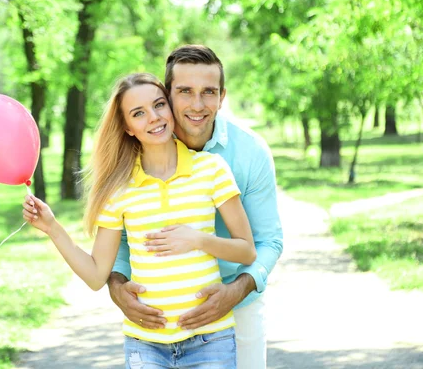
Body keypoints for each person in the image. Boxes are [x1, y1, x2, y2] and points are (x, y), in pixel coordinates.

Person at [22, 73, 257, 368]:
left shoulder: (211, 169)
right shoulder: (119, 188)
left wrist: (197, 239)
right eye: (138, 113)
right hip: (145, 344)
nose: (154, 118)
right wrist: (52, 228)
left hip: (210, 340)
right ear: (127, 128)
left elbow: (247, 250)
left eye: (159, 105)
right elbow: (96, 276)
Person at [108, 45, 284, 369]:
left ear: (222, 96)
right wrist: (116, 287)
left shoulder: (250, 153)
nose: (197, 105)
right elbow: (118, 235)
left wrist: (235, 291)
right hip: (162, 316)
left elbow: (269, 241)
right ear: (167, 94)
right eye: (185, 91)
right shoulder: (142, 148)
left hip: (239, 301)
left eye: (209, 92)